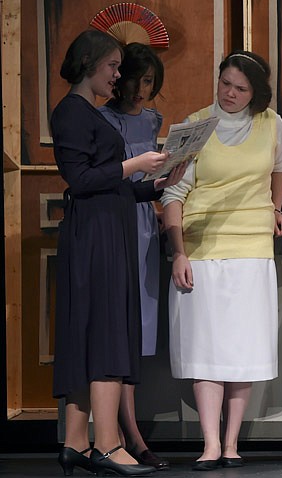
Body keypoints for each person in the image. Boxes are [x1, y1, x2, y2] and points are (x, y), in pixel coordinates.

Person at [51, 29, 184, 477]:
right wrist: (133, 164)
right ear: (89, 65)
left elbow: (113, 185)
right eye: (111, 66)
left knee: (95, 328)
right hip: (94, 232)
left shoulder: (88, 113)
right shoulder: (71, 113)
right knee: (104, 328)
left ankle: (75, 441)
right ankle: (106, 444)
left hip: (110, 224)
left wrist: (156, 185)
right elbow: (81, 180)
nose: (117, 75)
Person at [161, 50, 282, 471]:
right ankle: (211, 444)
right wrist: (178, 251)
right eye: (225, 84)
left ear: (257, 93)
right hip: (202, 250)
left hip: (251, 248)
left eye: (241, 88)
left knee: (243, 347)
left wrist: (274, 207)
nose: (230, 93)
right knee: (207, 348)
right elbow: (172, 193)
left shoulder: (271, 124)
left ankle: (233, 443)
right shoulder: (195, 126)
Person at [98, 42, 170, 471]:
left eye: (148, 81)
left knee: (139, 329)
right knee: (118, 328)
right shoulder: (102, 118)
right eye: (134, 79)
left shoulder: (153, 119)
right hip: (114, 218)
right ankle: (129, 437)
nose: (140, 89)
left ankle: (126, 432)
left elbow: (153, 173)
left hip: (144, 218)